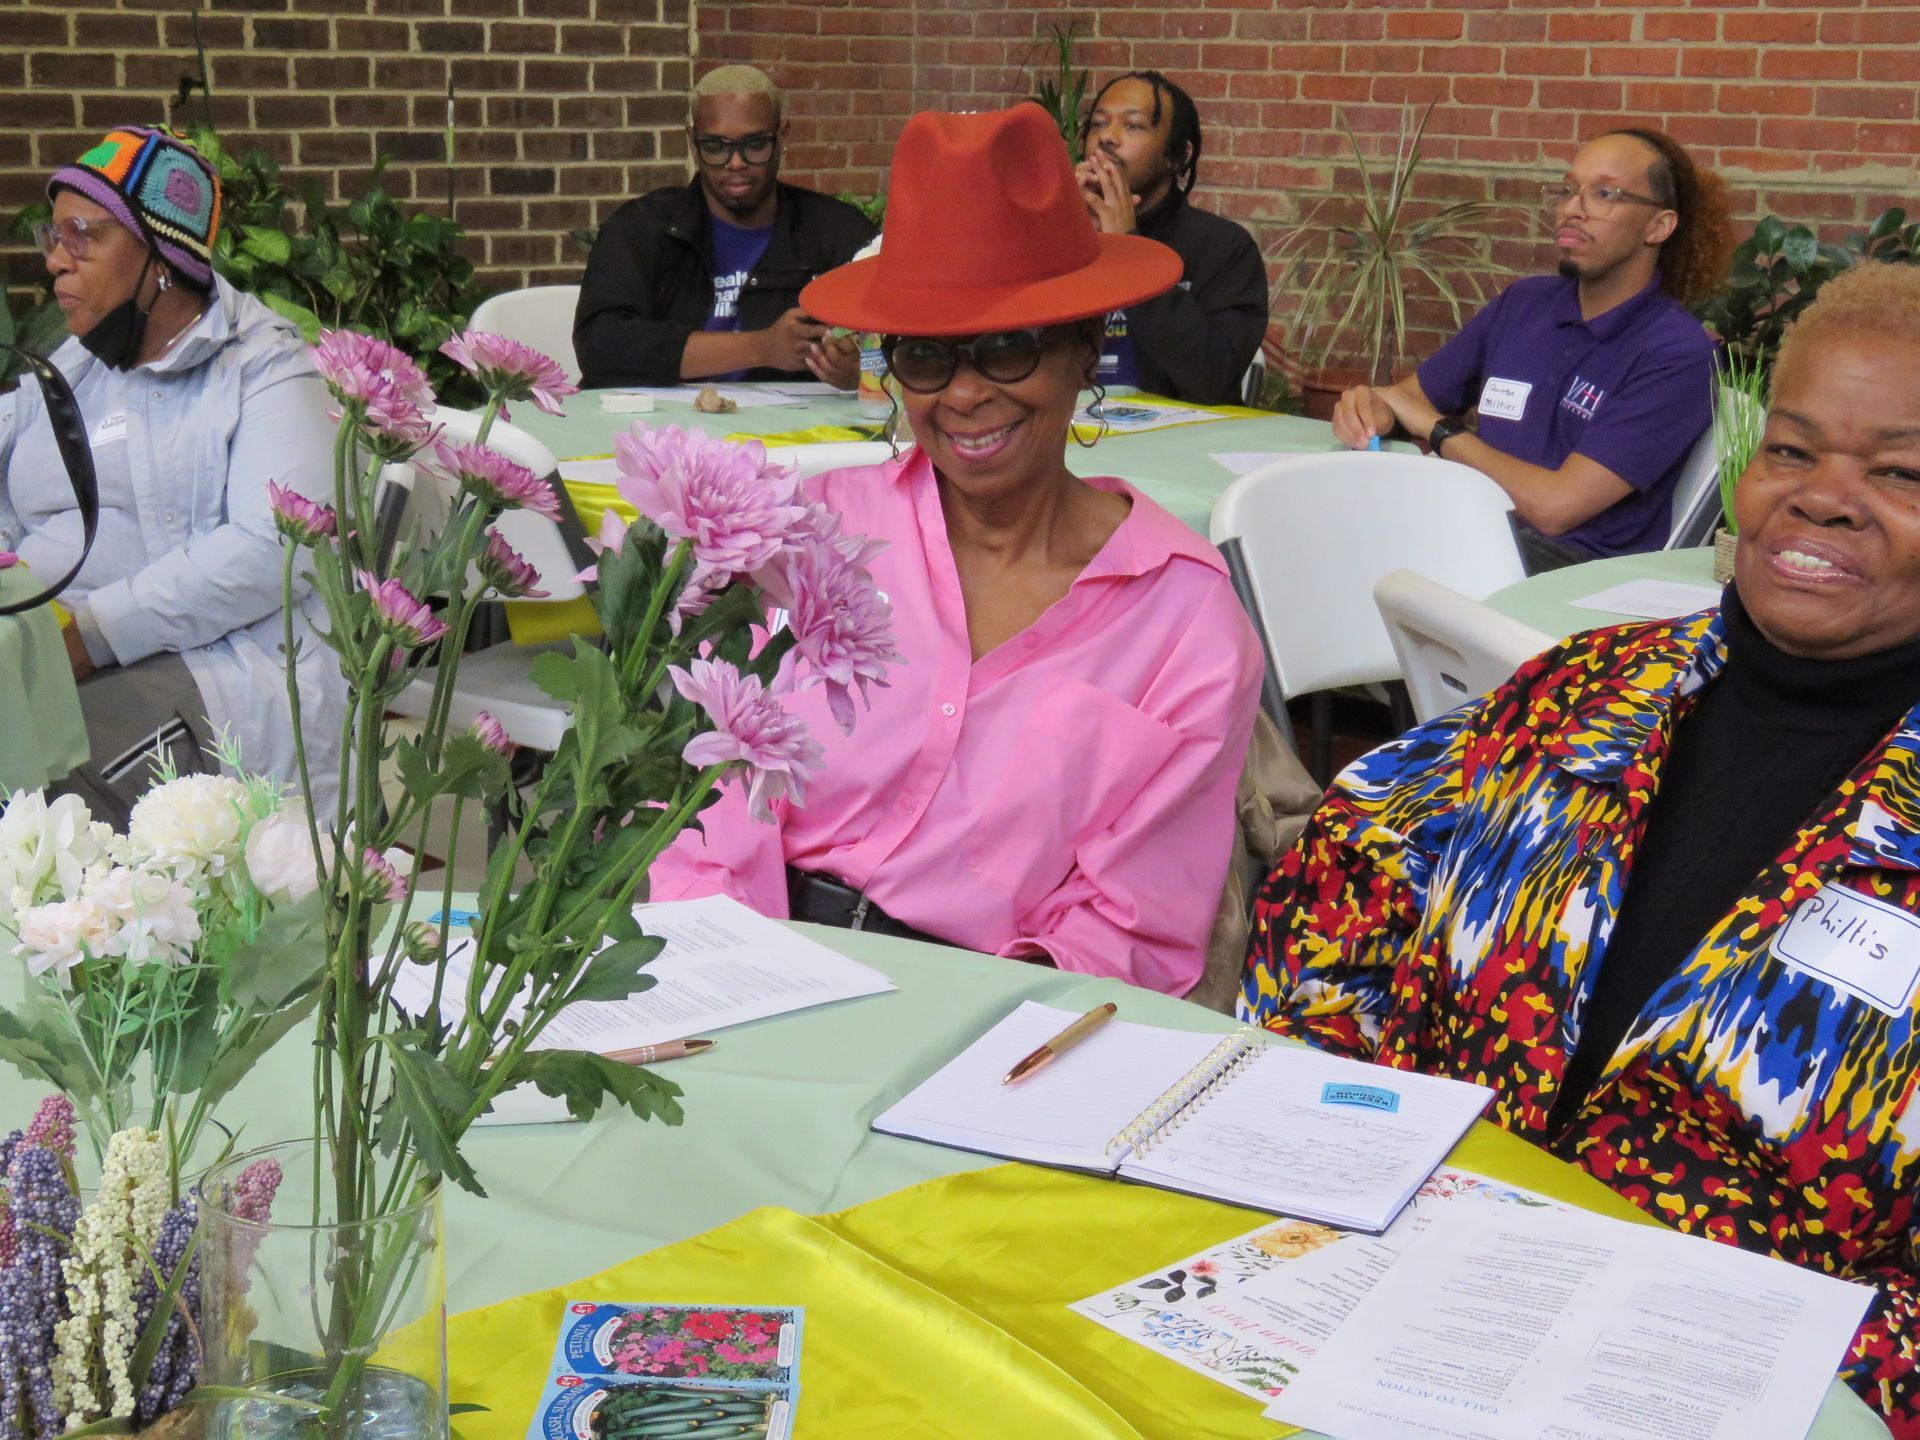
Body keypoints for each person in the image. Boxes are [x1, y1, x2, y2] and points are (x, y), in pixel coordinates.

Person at [1241, 262, 1920, 1434]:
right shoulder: (1586, 696)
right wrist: (1340, 1144)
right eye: (1793, 450)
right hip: (1381, 1308)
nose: (1822, 499)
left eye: (1902, 471)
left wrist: (1726, 1357)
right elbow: (1342, 878)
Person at [647, 104, 1265, 997]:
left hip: (984, 1012)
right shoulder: (807, 539)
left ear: (1086, 349)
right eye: (927, 358)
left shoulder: (1184, 621)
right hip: (749, 965)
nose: (965, 394)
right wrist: (724, 973)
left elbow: (1124, 929)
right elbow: (703, 797)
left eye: (1007, 349)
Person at [0, 126, 344, 824]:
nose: (55, 263)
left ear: (160, 255)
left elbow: (275, 547)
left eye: (80, 236)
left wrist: (88, 635)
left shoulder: (265, 369)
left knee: (31, 798)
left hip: (211, 676)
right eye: (52, 237)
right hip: (46, 656)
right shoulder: (74, 367)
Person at [1332, 129, 1734, 572]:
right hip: (1471, 523)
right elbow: (1409, 399)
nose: (1572, 209)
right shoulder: (1524, 305)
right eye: (1567, 190)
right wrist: (1374, 412)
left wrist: (1438, 430)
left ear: (1659, 226)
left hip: (1570, 569)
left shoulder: (1676, 354)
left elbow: (1555, 509)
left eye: (1604, 193)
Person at [573, 65, 876, 391]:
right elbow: (600, 345)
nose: (735, 163)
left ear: (782, 137)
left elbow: (896, 344)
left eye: (755, 144)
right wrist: (761, 347)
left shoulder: (837, 231)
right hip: (660, 429)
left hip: (792, 433)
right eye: (715, 146)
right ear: (692, 142)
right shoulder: (642, 228)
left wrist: (861, 372)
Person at [1076, 71, 1268, 407]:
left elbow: (1213, 380)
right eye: (1097, 123)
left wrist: (1128, 249)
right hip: (1067, 439)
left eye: (1133, 125)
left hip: (1174, 445)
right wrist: (1057, 229)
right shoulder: (1057, 239)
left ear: (1178, 154)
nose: (1107, 137)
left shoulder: (1222, 248)